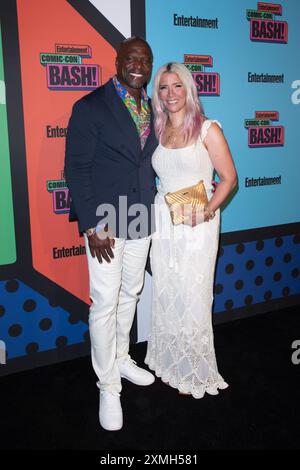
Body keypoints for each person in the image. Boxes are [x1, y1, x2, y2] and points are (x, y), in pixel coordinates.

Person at [64, 37, 158, 431]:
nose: (138, 65)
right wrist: (90, 224)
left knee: (131, 294)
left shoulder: (152, 106)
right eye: (131, 58)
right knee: (104, 303)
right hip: (105, 220)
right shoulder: (90, 105)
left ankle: (121, 358)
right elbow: (76, 168)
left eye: (145, 60)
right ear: (117, 61)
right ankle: (107, 386)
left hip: (140, 214)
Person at [145, 62, 237, 398]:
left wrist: (208, 212)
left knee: (194, 295)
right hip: (164, 221)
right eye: (164, 88)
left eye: (177, 86)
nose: (170, 94)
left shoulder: (208, 129)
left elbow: (229, 179)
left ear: (189, 89)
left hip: (198, 224)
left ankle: (194, 370)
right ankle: (169, 361)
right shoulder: (157, 130)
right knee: (168, 291)